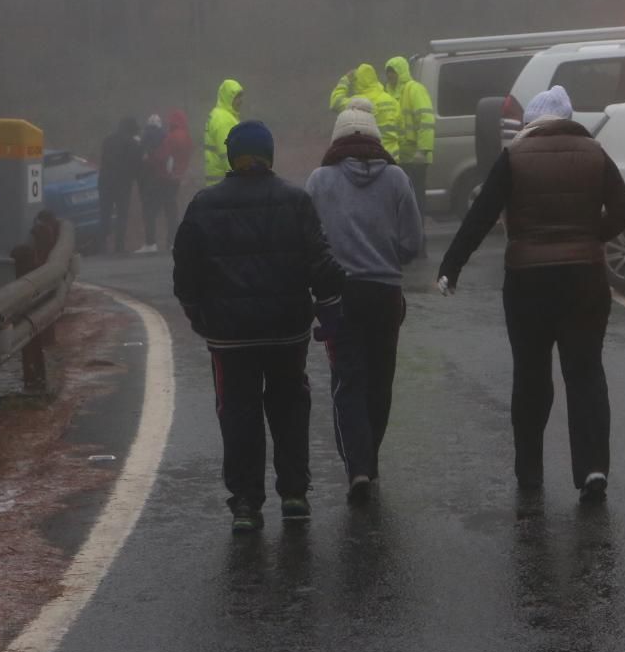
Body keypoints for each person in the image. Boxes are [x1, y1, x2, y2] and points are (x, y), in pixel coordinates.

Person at [437, 86, 625, 502]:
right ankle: (593, 468)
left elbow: (482, 213)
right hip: (585, 279)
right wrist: (591, 237)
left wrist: (451, 265)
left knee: (530, 376)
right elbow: (624, 208)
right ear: (568, 117)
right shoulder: (595, 153)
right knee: (585, 373)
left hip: (527, 281)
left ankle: (529, 472)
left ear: (531, 124)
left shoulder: (515, 157)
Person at [173, 120, 345, 532]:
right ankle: (294, 493)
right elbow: (321, 264)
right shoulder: (295, 200)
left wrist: (200, 317)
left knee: (237, 412)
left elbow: (185, 273)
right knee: (290, 406)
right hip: (287, 331)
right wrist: (329, 309)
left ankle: (247, 504)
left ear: (233, 156)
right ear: (270, 155)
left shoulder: (203, 204)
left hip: (229, 337)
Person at [305, 99, 423, 501]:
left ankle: (357, 465)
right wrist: (389, 255)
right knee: (380, 379)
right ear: (376, 137)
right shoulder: (396, 179)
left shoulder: (319, 181)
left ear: (337, 138)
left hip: (339, 295)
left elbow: (307, 240)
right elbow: (413, 243)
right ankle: (369, 460)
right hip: (386, 294)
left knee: (348, 380)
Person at [383, 56, 436, 242]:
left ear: (401, 72)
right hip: (399, 157)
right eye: (388, 72)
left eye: (393, 71)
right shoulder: (387, 92)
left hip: (416, 156)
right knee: (402, 201)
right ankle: (407, 238)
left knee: (416, 200)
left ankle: (418, 238)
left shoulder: (414, 89)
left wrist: (423, 149)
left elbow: (426, 120)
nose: (390, 75)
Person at [139, 110, 193, 254]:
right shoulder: (187, 137)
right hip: (177, 177)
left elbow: (162, 155)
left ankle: (150, 243)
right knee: (171, 210)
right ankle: (172, 242)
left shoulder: (171, 137)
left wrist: (149, 159)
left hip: (164, 178)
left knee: (150, 208)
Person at [328, 63, 402, 161]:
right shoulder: (391, 100)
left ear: (358, 81)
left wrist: (345, 80)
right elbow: (401, 129)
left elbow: (335, 103)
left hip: (369, 157)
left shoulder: (357, 102)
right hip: (392, 157)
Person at [98, 116, 142, 255]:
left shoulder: (108, 140)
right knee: (122, 215)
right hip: (122, 184)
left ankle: (102, 246)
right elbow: (136, 165)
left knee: (105, 213)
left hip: (105, 182)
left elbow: (104, 159)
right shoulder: (133, 143)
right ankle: (119, 246)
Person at [133, 114, 166, 255]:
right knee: (167, 209)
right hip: (162, 179)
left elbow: (140, 157)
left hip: (147, 179)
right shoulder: (165, 136)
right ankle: (170, 242)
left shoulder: (145, 136)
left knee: (148, 211)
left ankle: (150, 242)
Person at [204, 79, 244, 186]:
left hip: (217, 184)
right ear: (228, 98)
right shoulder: (224, 120)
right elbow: (228, 154)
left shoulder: (217, 114)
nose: (241, 101)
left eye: (241, 97)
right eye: (237, 97)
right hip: (225, 185)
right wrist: (243, 178)